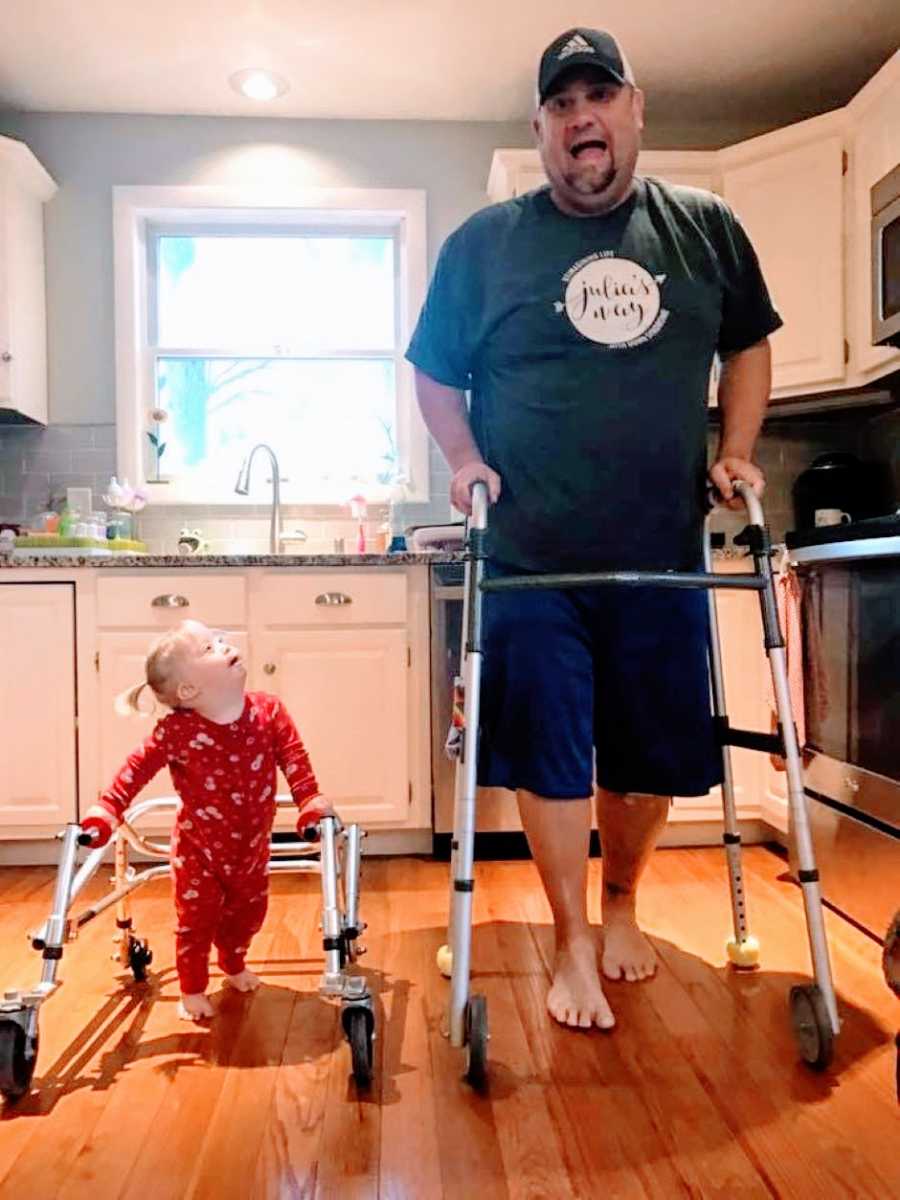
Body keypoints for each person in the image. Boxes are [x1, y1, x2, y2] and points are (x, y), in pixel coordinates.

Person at [406, 27, 782, 1031]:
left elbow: (747, 344)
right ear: (540, 128)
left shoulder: (703, 227)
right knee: (552, 752)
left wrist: (735, 449)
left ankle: (623, 904)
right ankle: (570, 935)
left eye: (599, 98)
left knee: (650, 753)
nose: (583, 118)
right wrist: (463, 461)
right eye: (563, 105)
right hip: (531, 556)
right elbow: (436, 375)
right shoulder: (485, 244)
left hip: (662, 551)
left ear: (635, 109)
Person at [81, 619, 332, 1022]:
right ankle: (193, 988)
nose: (224, 644)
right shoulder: (177, 730)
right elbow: (136, 769)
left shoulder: (268, 711)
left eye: (219, 640)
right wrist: (107, 809)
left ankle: (233, 963)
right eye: (209, 648)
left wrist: (309, 800)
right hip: (199, 849)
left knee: (248, 915)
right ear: (189, 691)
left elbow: (294, 758)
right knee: (195, 922)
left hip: (251, 848)